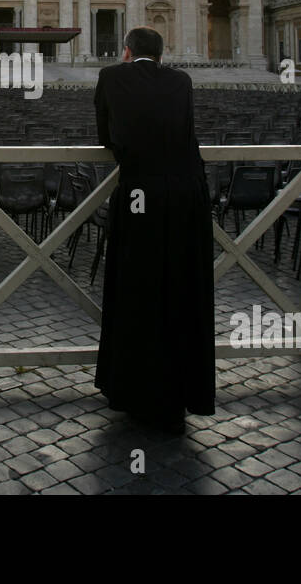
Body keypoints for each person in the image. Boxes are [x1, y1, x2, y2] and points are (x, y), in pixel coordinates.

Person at [92, 26, 214, 432]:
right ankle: (180, 394)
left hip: (141, 194)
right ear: (162, 55)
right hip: (187, 196)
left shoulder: (111, 77)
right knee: (182, 290)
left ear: (126, 52)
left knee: (138, 288)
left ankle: (134, 391)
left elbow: (106, 137)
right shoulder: (182, 80)